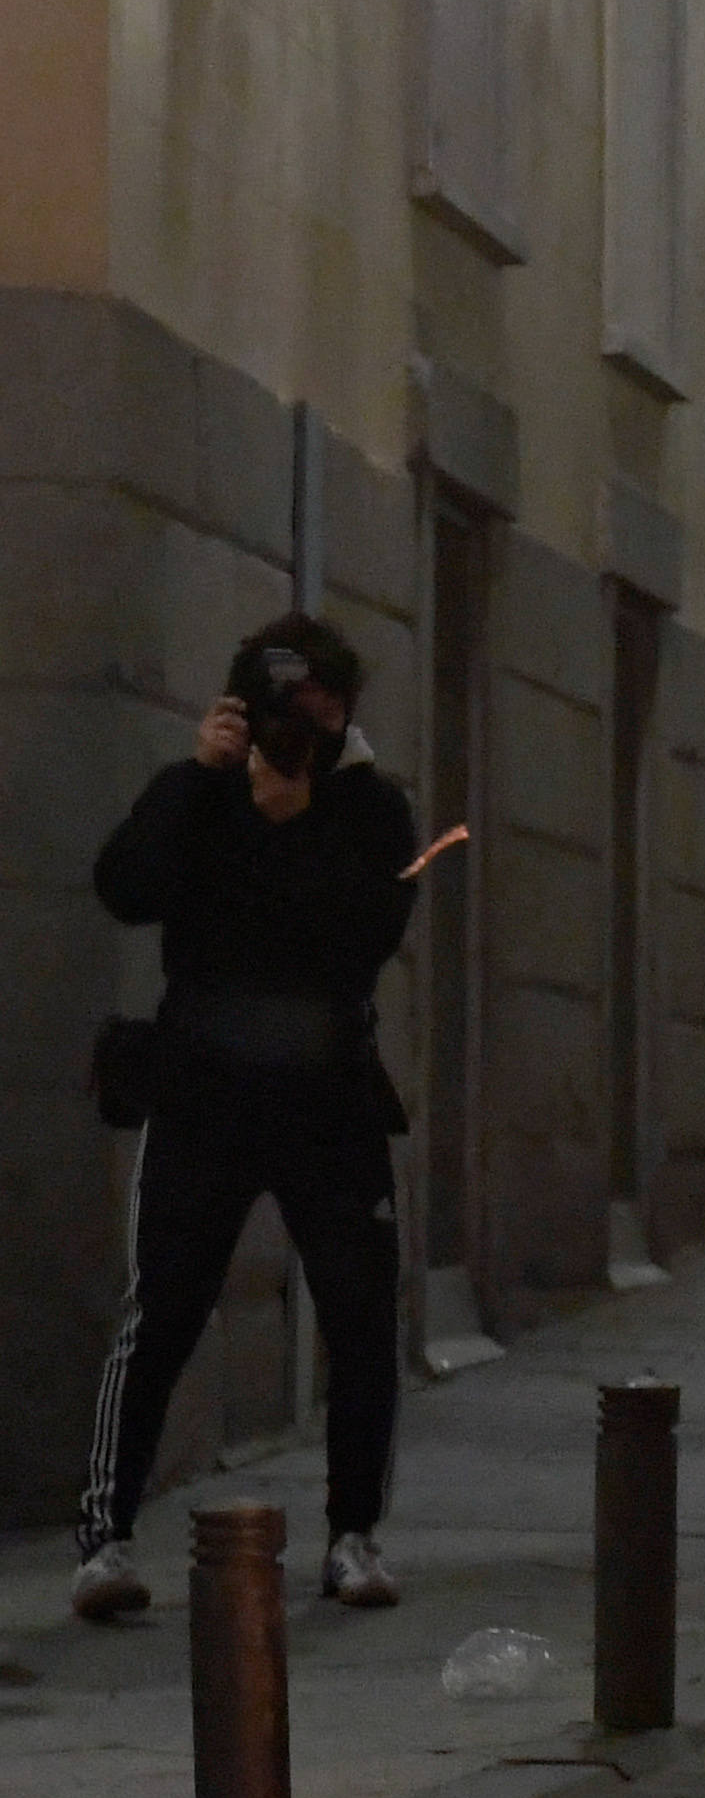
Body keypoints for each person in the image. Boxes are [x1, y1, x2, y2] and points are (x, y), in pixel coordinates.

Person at [76, 615, 419, 1621]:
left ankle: (353, 1535)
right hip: (204, 1097)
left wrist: (297, 816)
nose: (297, 734)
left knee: (360, 1314)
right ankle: (104, 1538)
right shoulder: (200, 798)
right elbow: (125, 887)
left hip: (328, 1102)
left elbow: (361, 933)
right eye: (283, 714)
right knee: (163, 1310)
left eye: (318, 712)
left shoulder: (369, 811)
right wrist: (197, 780)